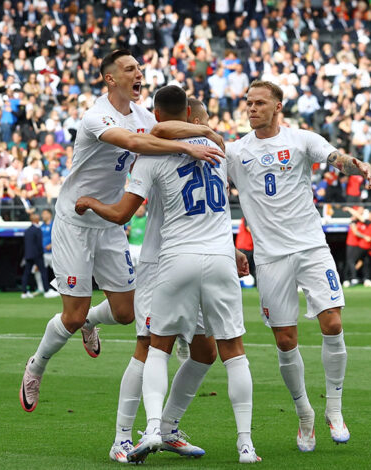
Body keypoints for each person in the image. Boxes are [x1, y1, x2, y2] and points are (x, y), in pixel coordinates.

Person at [19, 49, 225, 413]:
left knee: (125, 312)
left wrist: (204, 129)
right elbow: (133, 142)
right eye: (130, 69)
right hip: (75, 220)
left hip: (110, 221)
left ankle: (89, 324)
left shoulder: (144, 114)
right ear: (111, 78)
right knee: (72, 314)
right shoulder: (96, 116)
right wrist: (185, 147)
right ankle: (36, 365)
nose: (138, 73)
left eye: (140, 68)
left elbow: (161, 127)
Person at [75, 86, 259, 464]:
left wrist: (90, 202)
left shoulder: (158, 149)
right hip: (162, 261)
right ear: (190, 120)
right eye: (202, 120)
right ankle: (122, 438)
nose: (207, 125)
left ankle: (166, 427)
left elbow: (132, 205)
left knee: (204, 352)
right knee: (146, 347)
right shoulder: (206, 149)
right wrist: (204, 134)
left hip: (184, 255)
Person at [226, 80, 371, 452]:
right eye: (248, 103)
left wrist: (353, 165)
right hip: (271, 257)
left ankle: (334, 410)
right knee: (285, 339)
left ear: (278, 106)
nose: (252, 109)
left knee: (333, 321)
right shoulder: (236, 152)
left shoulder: (302, 139)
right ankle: (305, 413)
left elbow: (335, 158)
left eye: (260, 103)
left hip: (311, 247)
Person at [20, 212, 56, 299]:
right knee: (43, 272)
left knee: (26, 273)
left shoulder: (27, 230)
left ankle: (24, 292)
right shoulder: (38, 230)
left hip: (28, 255)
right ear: (35, 220)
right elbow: (39, 244)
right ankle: (46, 290)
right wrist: (41, 253)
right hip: (37, 255)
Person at [30, 208, 57, 297]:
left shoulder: (55, 225)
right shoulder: (41, 226)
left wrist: (52, 244)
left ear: (50, 215)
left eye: (45, 213)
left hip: (53, 253)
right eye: (42, 214)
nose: (43, 216)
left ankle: (60, 289)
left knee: (58, 271)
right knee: (36, 269)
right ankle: (41, 288)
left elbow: (60, 237)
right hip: (43, 253)